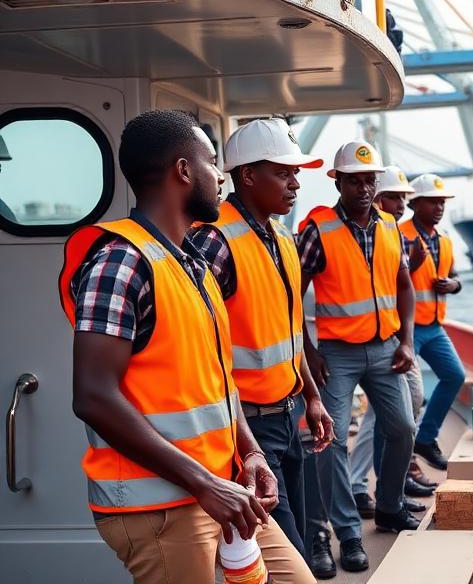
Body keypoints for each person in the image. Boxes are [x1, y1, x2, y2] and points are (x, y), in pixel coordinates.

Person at [58, 109, 314, 584]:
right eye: (212, 161)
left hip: (222, 487)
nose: (220, 175)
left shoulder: (192, 263)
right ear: (182, 171)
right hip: (159, 505)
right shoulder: (119, 263)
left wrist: (251, 452)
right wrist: (204, 483)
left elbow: (217, 382)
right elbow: (93, 397)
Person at [192, 118, 335, 556]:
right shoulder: (214, 242)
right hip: (249, 426)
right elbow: (201, 349)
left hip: (288, 415)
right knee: (286, 554)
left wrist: (311, 397)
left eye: (296, 174)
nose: (295, 184)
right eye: (284, 172)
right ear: (248, 176)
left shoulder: (282, 238)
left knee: (298, 544)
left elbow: (292, 331)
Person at [297, 141, 419, 573]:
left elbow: (405, 286)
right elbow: (291, 294)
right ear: (339, 181)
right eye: (355, 180)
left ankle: (388, 506)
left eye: (370, 180)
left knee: (403, 427)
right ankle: (345, 534)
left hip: (386, 348)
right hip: (337, 353)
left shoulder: (389, 227)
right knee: (329, 442)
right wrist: (308, 350)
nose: (365, 188)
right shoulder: (318, 229)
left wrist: (406, 340)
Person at [349, 167, 435, 521]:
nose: (402, 204)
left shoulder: (391, 234)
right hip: (372, 343)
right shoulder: (369, 235)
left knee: (398, 413)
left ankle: (388, 488)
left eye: (404, 198)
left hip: (396, 340)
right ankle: (369, 487)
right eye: (394, 197)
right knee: (387, 416)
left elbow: (401, 289)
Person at [399, 173, 466, 471]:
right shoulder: (399, 234)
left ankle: (425, 438)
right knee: (410, 396)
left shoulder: (445, 241)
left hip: (435, 327)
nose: (440, 207)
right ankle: (406, 458)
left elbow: (456, 277)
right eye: (433, 202)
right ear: (415, 203)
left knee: (455, 376)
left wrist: (453, 285)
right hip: (406, 328)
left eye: (442, 202)